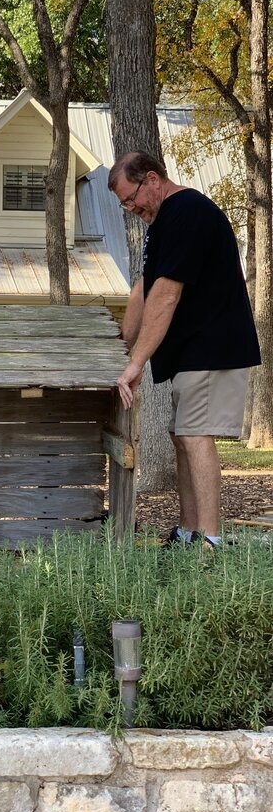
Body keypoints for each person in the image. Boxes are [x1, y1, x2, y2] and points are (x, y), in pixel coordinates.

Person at [108, 151, 261, 547]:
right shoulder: (162, 225)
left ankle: (209, 540)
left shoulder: (188, 211)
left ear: (153, 179)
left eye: (131, 198)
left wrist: (136, 363)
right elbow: (144, 288)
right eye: (124, 204)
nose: (131, 208)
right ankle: (189, 531)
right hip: (190, 352)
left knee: (195, 436)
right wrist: (122, 349)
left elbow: (167, 295)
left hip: (213, 346)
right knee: (182, 435)